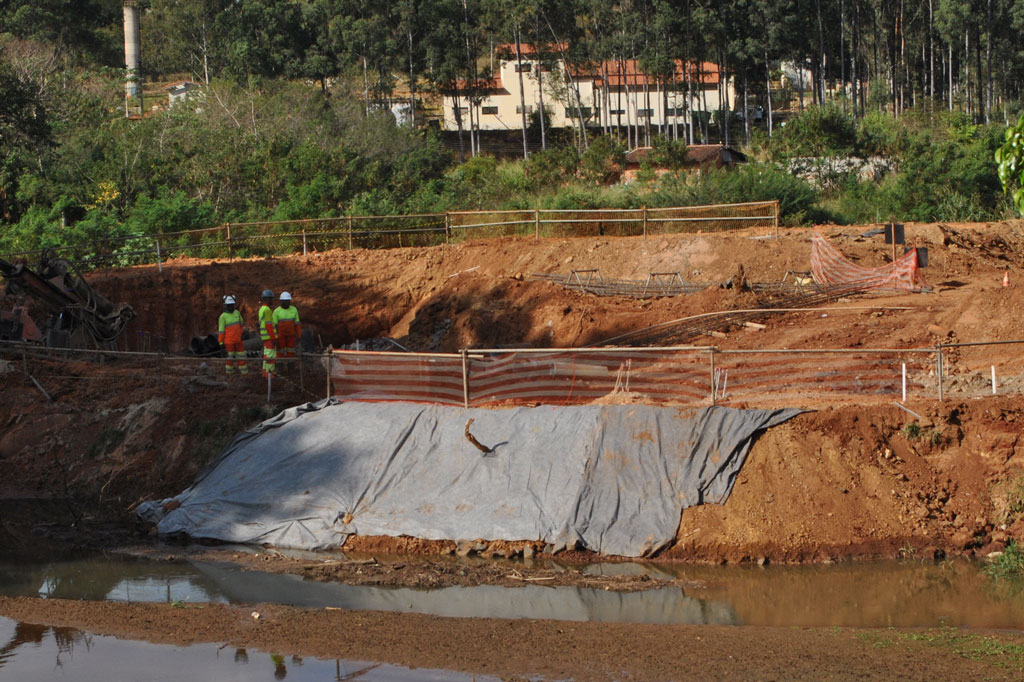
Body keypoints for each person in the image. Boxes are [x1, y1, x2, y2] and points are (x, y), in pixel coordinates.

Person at [217, 295, 247, 376]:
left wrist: (240, 334)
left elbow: (241, 324)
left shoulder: (237, 313)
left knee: (242, 357)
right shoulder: (222, 317)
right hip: (229, 342)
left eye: (232, 305)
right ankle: (230, 375)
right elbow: (221, 331)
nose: (231, 306)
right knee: (229, 360)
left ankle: (244, 374)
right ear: (226, 306)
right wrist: (221, 342)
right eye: (229, 305)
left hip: (238, 341)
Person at [273, 291, 302, 370]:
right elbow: (274, 326)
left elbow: (297, 324)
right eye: (284, 301)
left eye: (287, 301)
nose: (286, 302)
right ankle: (280, 368)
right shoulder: (276, 311)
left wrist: (299, 335)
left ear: (289, 301)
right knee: (280, 352)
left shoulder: (294, 310)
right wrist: (275, 337)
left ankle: (291, 368)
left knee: (291, 352)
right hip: (280, 336)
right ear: (281, 301)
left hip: (291, 336)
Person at [258, 289, 277, 378]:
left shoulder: (262, 309)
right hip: (269, 338)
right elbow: (269, 326)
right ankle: (270, 375)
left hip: (265, 337)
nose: (272, 301)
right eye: (271, 299)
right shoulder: (267, 310)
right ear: (268, 299)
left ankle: (265, 373)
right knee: (270, 357)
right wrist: (273, 338)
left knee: (266, 355)